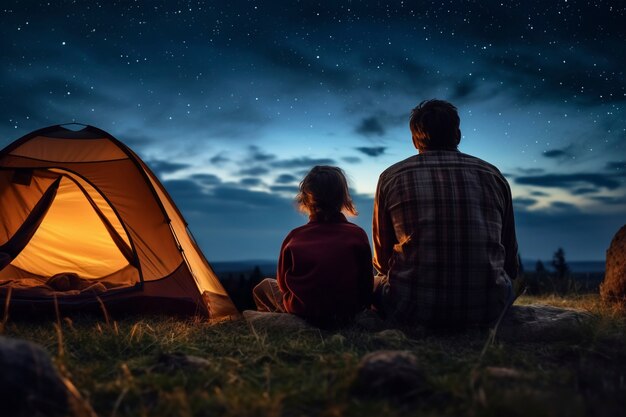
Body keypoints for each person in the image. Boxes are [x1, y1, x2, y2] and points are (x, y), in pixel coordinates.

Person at [373, 99, 518, 326]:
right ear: (458, 136)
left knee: (375, 282)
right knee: (508, 284)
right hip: (488, 309)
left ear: (414, 141)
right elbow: (510, 259)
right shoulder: (493, 175)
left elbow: (381, 261)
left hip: (411, 309)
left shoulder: (391, 177)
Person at [253, 165, 373, 326]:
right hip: (347, 311)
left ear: (306, 200)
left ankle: (277, 325)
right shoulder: (357, 234)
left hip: (304, 310)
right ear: (343, 199)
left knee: (263, 287)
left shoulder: (294, 237)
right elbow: (366, 285)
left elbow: (282, 285)